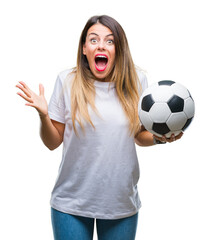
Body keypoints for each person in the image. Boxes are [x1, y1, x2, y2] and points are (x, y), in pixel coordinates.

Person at [16, 15, 183, 240]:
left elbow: (137, 135)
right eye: (93, 40)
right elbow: (52, 142)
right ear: (84, 48)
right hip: (70, 203)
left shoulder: (137, 81)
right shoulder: (67, 81)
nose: (101, 45)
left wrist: (158, 138)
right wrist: (44, 116)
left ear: (118, 49)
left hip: (120, 202)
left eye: (110, 41)